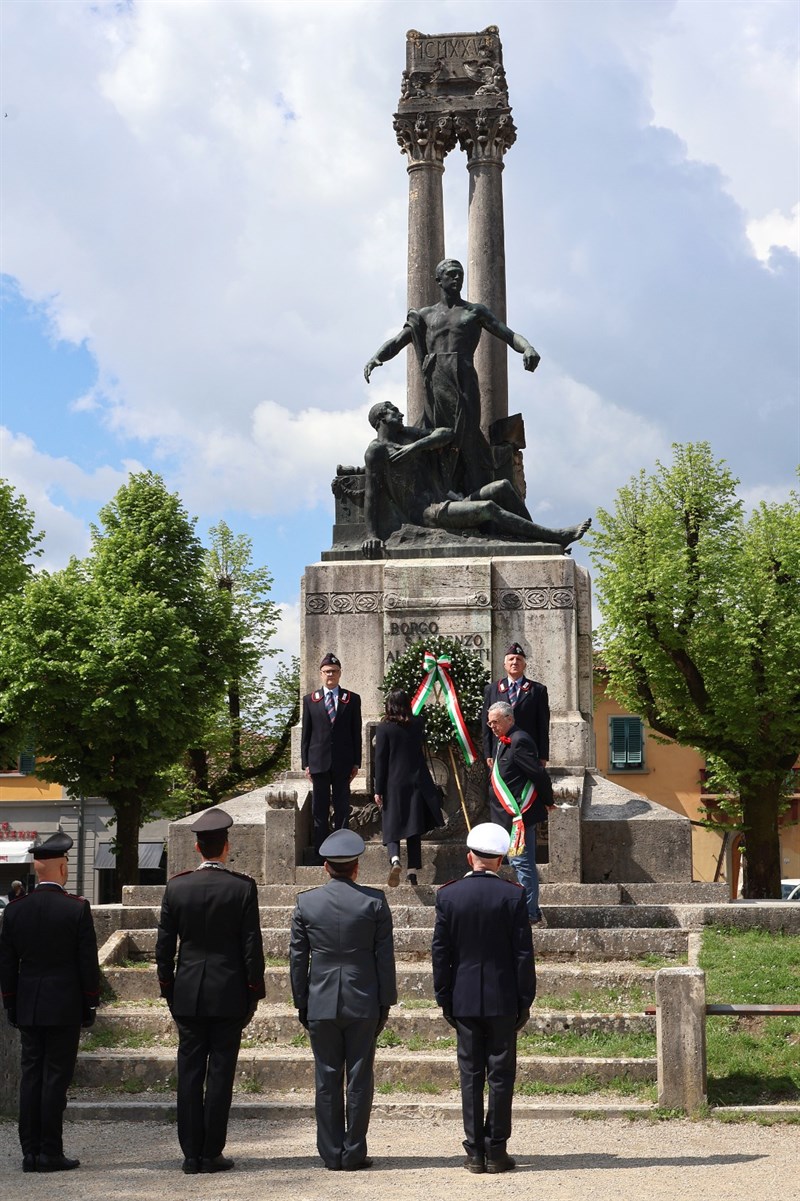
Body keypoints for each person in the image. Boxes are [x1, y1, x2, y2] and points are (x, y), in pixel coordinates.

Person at [364, 258, 540, 495]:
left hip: (464, 379)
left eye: (460, 274)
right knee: (434, 433)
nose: (457, 278)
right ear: (439, 279)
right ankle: (438, 491)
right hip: (434, 381)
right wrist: (377, 357)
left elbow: (507, 334)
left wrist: (527, 347)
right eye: (452, 275)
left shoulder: (474, 312)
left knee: (466, 437)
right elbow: (398, 341)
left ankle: (474, 492)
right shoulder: (425, 315)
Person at [155, 807, 266, 1175]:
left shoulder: (177, 886)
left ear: (198, 849)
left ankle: (190, 1153)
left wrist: (168, 987)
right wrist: (253, 992)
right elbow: (252, 946)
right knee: (220, 1074)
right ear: (225, 847)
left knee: (189, 1074)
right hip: (229, 992)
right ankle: (211, 1151)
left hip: (188, 992)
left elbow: (164, 946)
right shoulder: (242, 887)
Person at [289, 828, 397, 1172]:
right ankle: (354, 1151)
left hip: (321, 1000)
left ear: (325, 867)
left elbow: (296, 959)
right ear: (356, 867)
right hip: (363, 999)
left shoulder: (306, 902)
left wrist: (301, 1001)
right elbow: (385, 958)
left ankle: (330, 1151)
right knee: (359, 1078)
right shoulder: (374, 902)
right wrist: (386, 1002)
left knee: (326, 1077)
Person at [432, 822, 535, 1175]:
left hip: (463, 997)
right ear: (501, 859)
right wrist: (525, 1000)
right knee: (501, 1076)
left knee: (470, 1074)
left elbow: (440, 952)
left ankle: (474, 1150)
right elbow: (523, 954)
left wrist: (444, 996)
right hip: (503, 997)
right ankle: (497, 1149)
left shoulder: (448, 895)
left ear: (470, 856)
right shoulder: (513, 895)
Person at [361, 400, 591, 558]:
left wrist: (416, 447)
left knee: (502, 486)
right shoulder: (377, 451)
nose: (400, 414)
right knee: (489, 507)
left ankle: (532, 538)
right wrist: (371, 536)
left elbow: (446, 433)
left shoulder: (407, 436)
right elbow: (371, 494)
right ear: (381, 419)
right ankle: (556, 536)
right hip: (427, 513)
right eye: (394, 411)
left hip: (445, 500)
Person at [0, 831, 100, 1173]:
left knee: (31, 1076)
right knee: (56, 1078)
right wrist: (90, 1003)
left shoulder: (15, 910)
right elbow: (87, 964)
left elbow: (7, 965)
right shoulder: (76, 908)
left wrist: (11, 1003)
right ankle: (51, 1151)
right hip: (65, 1004)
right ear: (61, 868)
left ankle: (30, 1152)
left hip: (28, 1002)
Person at [486, 701, 553, 926]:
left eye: (495, 722)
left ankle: (531, 913)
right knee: (517, 864)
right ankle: (529, 909)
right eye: (490, 722)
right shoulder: (502, 741)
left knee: (522, 863)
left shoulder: (520, 740)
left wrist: (548, 800)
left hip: (518, 816)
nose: (492, 726)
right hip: (505, 815)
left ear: (509, 719)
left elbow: (538, 774)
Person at [373, 688, 444, 887]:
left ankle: (395, 859)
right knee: (414, 827)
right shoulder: (418, 723)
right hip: (417, 780)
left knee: (392, 823)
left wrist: (378, 789)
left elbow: (381, 761)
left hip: (393, 782)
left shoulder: (384, 727)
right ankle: (412, 871)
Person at [301, 652, 363, 858]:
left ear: (340, 673)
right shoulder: (310, 700)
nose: (331, 675)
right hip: (318, 763)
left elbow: (356, 732)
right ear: (320, 674)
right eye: (327, 672)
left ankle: (342, 852)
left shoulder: (351, 699)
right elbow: (306, 734)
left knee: (342, 809)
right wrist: (305, 764)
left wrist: (356, 762)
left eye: (334, 672)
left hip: (343, 763)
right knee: (319, 810)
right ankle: (321, 853)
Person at [482, 642, 550, 767]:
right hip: (500, 749)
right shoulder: (492, 689)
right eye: (511, 659)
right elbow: (486, 725)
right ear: (504, 665)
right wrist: (488, 753)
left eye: (518, 659)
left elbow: (543, 725)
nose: (514, 662)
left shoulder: (537, 690)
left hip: (527, 750)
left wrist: (543, 755)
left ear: (524, 665)